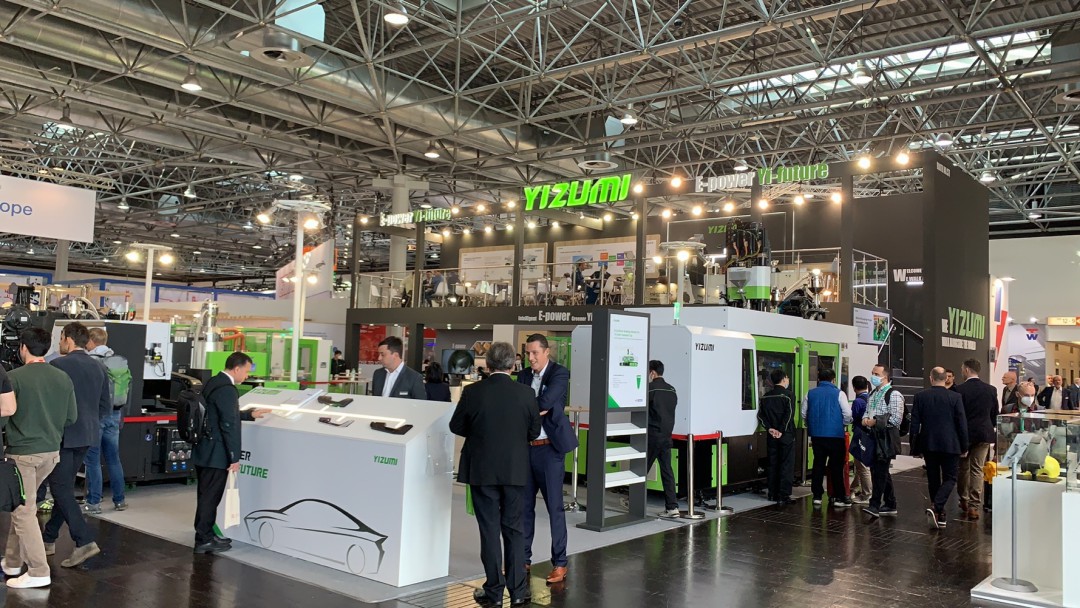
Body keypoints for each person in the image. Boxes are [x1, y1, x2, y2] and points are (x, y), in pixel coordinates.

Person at [450, 342, 540, 607]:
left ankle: (494, 591)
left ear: (487, 365)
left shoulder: (473, 392)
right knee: (514, 529)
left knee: (489, 530)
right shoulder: (526, 393)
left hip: (482, 470)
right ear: (513, 365)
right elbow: (534, 432)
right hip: (514, 469)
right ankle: (518, 591)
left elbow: (456, 425)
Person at [2, 328, 77, 588]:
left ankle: (38, 571)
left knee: (23, 512)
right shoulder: (62, 377)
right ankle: (12, 562)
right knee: (22, 506)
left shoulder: (13, 378)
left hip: (22, 454)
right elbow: (71, 417)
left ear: (23, 347)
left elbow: (4, 415)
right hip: (51, 453)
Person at [43, 322, 110, 568]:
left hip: (63, 435)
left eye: (61, 338)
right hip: (87, 435)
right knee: (64, 488)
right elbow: (105, 405)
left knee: (60, 488)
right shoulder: (99, 367)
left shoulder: (58, 365)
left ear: (68, 339)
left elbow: (50, 404)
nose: (59, 343)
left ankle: (84, 541)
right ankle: (49, 538)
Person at [191, 352, 270, 554]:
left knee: (206, 495)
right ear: (237, 368)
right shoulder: (227, 389)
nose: (247, 376)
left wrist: (249, 414)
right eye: (246, 371)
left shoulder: (214, 382)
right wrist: (234, 456)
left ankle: (207, 533)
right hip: (216, 453)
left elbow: (221, 414)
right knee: (210, 497)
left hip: (204, 448)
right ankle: (203, 539)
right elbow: (229, 424)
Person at [518, 333, 577, 584]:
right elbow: (528, 405)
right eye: (528, 353)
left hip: (550, 450)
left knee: (554, 507)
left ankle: (560, 563)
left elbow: (545, 402)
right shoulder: (523, 376)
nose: (530, 358)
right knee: (524, 507)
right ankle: (522, 559)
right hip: (526, 448)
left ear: (546, 352)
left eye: (535, 353)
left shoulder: (559, 373)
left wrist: (529, 406)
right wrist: (534, 407)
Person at [910, 367, 968, 529]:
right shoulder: (955, 397)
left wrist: (915, 447)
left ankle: (939, 512)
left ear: (931, 378)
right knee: (950, 478)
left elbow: (915, 424)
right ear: (946, 378)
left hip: (929, 443)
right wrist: (964, 445)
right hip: (951, 444)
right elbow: (961, 423)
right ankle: (937, 507)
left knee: (933, 478)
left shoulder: (920, 396)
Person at [82, 327, 128, 514]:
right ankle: (120, 500)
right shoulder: (118, 360)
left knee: (93, 460)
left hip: (96, 415)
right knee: (113, 459)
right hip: (115, 414)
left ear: (91, 341)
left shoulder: (91, 361)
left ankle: (93, 502)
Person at [801, 368, 852, 508]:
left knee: (818, 465)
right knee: (836, 467)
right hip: (835, 435)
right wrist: (842, 424)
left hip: (817, 435)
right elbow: (847, 413)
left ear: (819, 379)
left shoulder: (810, 393)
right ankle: (838, 496)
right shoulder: (839, 393)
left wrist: (811, 424)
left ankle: (817, 496)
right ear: (833, 380)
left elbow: (804, 413)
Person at [954, 358, 998, 520]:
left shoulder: (959, 390)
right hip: (984, 434)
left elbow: (957, 415)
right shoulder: (991, 389)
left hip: (965, 435)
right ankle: (974, 506)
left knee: (963, 468)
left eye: (962, 369)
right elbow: (994, 413)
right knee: (977, 469)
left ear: (966, 370)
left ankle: (964, 499)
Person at [862, 364, 904, 518]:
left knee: (879, 472)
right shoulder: (873, 393)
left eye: (876, 374)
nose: (873, 376)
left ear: (885, 376)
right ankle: (890, 503)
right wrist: (865, 420)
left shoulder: (893, 394)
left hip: (885, 439)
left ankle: (874, 505)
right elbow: (867, 410)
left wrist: (876, 421)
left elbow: (896, 419)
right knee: (880, 471)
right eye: (872, 373)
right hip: (873, 436)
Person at [646, 360, 680, 516]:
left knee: (641, 469)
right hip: (667, 435)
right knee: (667, 471)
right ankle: (672, 507)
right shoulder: (672, 389)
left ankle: (635, 502)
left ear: (652, 372)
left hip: (653, 435)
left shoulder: (650, 388)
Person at [758, 368, 796, 505]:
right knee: (786, 464)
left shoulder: (765, 397)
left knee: (772, 463)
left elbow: (760, 416)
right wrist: (781, 430)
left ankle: (772, 493)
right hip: (786, 435)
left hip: (771, 436)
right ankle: (783, 495)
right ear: (784, 379)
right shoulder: (788, 395)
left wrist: (770, 429)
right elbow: (789, 415)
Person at [849, 376, 873, 504]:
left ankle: (867, 495)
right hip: (870, 435)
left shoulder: (858, 402)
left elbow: (852, 417)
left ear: (854, 387)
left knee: (862, 466)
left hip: (860, 435)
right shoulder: (871, 398)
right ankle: (853, 488)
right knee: (860, 464)